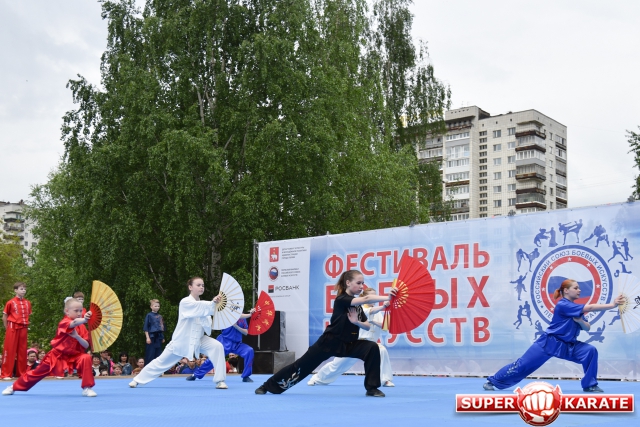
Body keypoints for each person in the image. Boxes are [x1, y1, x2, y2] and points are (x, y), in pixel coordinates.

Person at [255, 270, 396, 397]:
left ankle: (372, 388)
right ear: (348, 283)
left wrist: (356, 322)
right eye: (358, 283)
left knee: (372, 348)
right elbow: (366, 299)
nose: (361, 286)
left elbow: (367, 326)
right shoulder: (342, 299)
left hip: (349, 344)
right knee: (300, 366)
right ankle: (267, 386)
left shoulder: (358, 307)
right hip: (329, 343)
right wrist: (388, 297)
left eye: (363, 283)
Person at [483, 279, 624, 393]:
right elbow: (591, 307)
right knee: (521, 366)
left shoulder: (576, 308)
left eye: (579, 288)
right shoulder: (563, 304)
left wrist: (580, 321)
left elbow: (587, 327)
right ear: (566, 290)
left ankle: (590, 385)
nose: (579, 290)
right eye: (576, 288)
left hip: (568, 346)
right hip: (549, 343)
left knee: (590, 351)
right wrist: (612, 305)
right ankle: (492, 381)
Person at [128, 277, 228, 390]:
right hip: (181, 341)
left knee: (217, 346)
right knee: (161, 362)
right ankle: (137, 380)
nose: (201, 287)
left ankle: (220, 380)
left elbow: (208, 323)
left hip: (198, 340)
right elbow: (200, 308)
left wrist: (213, 308)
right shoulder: (185, 302)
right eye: (198, 285)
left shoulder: (205, 306)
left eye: (203, 285)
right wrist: (213, 303)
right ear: (190, 287)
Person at [2, 298, 97, 397]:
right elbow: (74, 322)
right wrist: (85, 319)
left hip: (75, 356)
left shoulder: (82, 327)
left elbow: (86, 345)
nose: (79, 313)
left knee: (86, 357)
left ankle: (87, 387)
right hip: (57, 355)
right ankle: (13, 387)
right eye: (76, 311)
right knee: (37, 372)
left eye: (81, 311)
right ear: (67, 311)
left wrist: (77, 336)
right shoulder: (64, 322)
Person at [307, 288, 394, 387]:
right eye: (372, 296)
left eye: (375, 296)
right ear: (366, 298)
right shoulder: (359, 309)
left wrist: (374, 321)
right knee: (337, 366)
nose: (374, 298)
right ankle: (317, 378)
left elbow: (385, 327)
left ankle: (385, 379)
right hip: (355, 344)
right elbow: (369, 311)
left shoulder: (378, 312)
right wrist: (383, 306)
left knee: (382, 351)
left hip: (370, 345)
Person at [186, 309, 256, 383]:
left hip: (237, 344)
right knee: (213, 359)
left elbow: (246, 332)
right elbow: (236, 316)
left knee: (249, 351)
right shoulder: (226, 313)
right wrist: (250, 314)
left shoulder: (242, 317)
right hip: (225, 342)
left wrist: (236, 326)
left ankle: (246, 376)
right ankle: (196, 375)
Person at [2, 282, 32, 380]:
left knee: (22, 351)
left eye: (24, 289)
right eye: (21, 289)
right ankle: (6, 374)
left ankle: (21, 373)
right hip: (12, 327)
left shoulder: (28, 303)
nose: (24, 290)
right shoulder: (10, 302)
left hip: (23, 327)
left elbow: (28, 315)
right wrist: (7, 328)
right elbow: (4, 316)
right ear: (15, 290)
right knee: (9, 350)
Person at [143, 299, 165, 365]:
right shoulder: (149, 315)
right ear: (151, 306)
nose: (157, 307)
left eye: (158, 306)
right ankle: (148, 368)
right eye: (155, 306)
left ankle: (157, 369)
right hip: (151, 337)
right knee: (150, 353)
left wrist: (162, 337)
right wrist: (147, 337)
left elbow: (161, 327)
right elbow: (146, 327)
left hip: (158, 337)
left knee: (158, 354)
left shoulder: (160, 316)